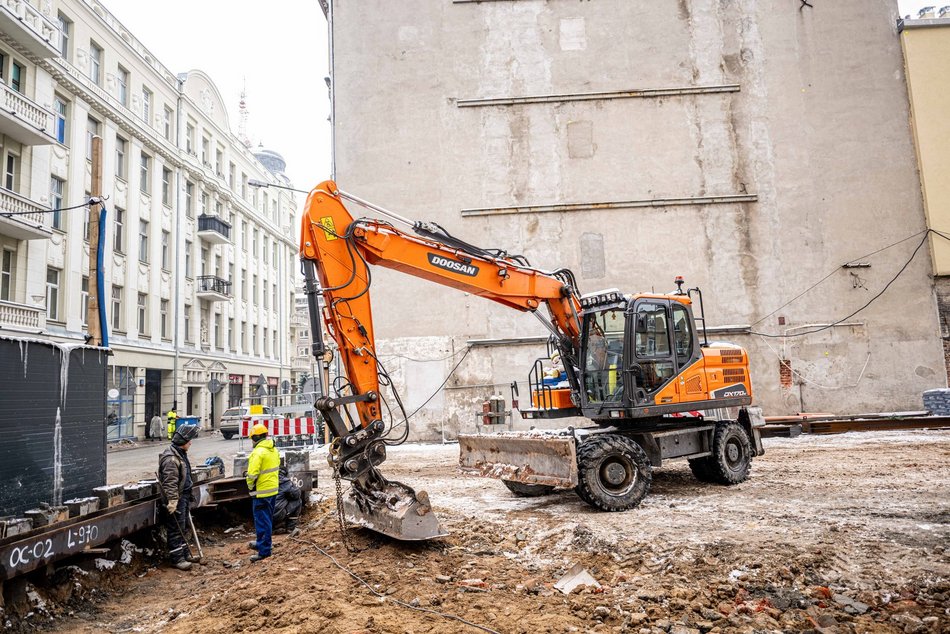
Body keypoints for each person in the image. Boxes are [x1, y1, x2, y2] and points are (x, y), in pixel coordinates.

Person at [157, 422, 200, 570]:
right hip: (177, 499)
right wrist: (173, 500)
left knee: (183, 526)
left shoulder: (180, 454)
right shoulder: (171, 459)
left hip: (184, 496)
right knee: (175, 528)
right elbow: (170, 482)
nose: (191, 443)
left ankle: (184, 553)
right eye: (189, 441)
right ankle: (177, 559)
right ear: (183, 442)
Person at [245, 423, 280, 562]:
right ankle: (262, 543)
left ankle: (264, 551)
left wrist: (249, 485)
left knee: (262, 522)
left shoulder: (258, 452)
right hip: (272, 490)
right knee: (267, 520)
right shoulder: (273, 449)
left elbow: (252, 474)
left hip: (261, 492)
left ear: (256, 437)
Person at [272, 466, 302, 535]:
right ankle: (290, 528)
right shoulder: (285, 482)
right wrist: (292, 484)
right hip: (278, 515)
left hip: (265, 514)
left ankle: (274, 528)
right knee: (298, 502)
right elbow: (297, 495)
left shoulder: (268, 480)